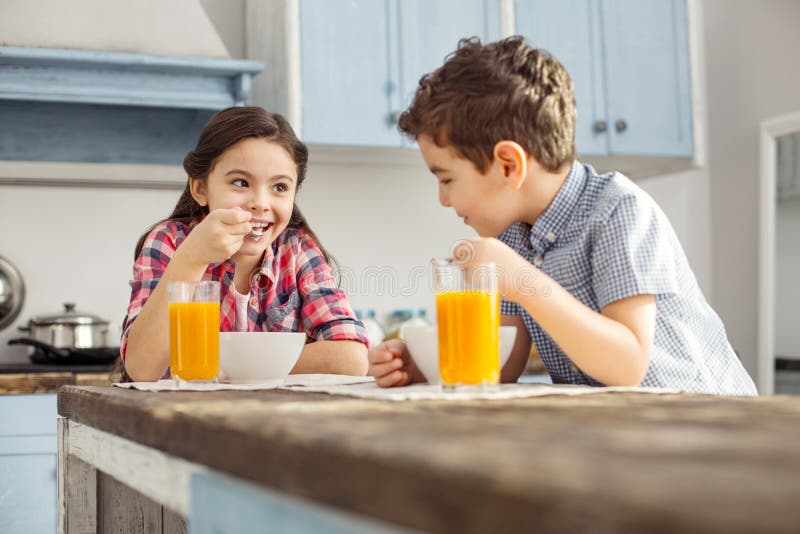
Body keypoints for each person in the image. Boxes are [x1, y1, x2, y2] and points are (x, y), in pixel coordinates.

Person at [368, 36, 757, 396]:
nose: (443, 200)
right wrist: (430, 364)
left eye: (447, 179)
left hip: (708, 419)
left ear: (508, 165)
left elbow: (627, 365)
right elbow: (503, 363)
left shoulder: (616, 211)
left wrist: (522, 279)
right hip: (626, 426)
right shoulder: (511, 238)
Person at [121, 107, 369, 382]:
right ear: (200, 189)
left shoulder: (298, 251)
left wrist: (232, 368)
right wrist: (191, 258)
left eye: (279, 187)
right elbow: (142, 369)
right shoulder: (170, 242)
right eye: (240, 182)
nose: (260, 203)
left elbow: (352, 358)